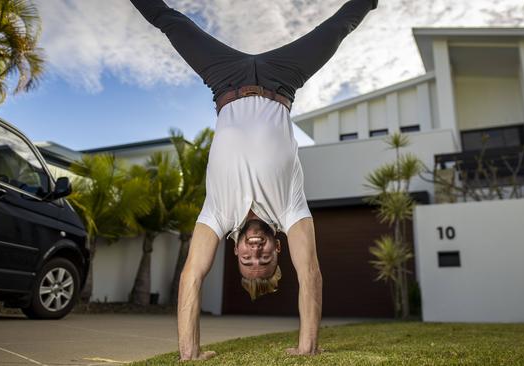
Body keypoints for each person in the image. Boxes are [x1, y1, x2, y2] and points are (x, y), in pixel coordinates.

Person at [129, 0, 377, 360]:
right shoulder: (291, 210)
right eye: (265, 259)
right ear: (279, 247)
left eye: (248, 261)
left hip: (224, 79)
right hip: (283, 79)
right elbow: (310, 274)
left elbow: (192, 277)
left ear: (236, 251)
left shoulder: (217, 215)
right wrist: (307, 347)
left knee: (170, 22)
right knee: (340, 26)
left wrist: (189, 353)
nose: (256, 254)